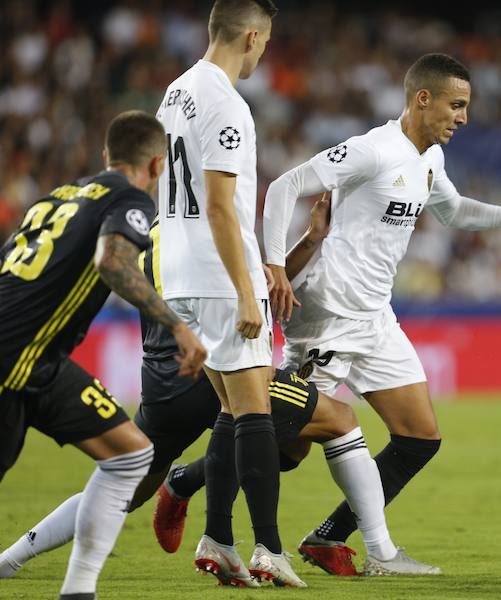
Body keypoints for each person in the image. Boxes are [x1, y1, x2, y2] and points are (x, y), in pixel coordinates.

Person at [0, 196, 437, 585]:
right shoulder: (212, 225)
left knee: (125, 489)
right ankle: (378, 551)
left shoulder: (145, 231)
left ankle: (13, 557)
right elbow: (255, 294)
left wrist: (308, 241)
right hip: (217, 372)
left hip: (162, 384)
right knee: (338, 421)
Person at [262, 53, 501, 576]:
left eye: (467, 107)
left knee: (419, 437)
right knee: (283, 445)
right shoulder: (373, 150)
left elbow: (453, 211)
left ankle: (328, 538)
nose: (464, 118)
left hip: (375, 317)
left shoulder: (429, 159)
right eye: (457, 105)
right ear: (422, 98)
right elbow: (284, 186)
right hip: (332, 313)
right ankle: (187, 483)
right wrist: (274, 264)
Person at [0, 110, 207, 600]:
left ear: (105, 156)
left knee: (133, 455)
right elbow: (113, 261)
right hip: (16, 359)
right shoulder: (129, 198)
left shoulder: (58, 197)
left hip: (40, 362)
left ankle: (79, 591)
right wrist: (178, 326)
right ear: (158, 165)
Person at [155, 0, 302, 587]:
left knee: (229, 411)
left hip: (180, 269)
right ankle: (270, 548)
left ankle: (218, 539)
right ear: (250, 36)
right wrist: (246, 290)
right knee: (255, 413)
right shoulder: (228, 107)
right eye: (264, 42)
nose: (263, 53)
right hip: (219, 276)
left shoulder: (176, 91)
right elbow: (219, 204)